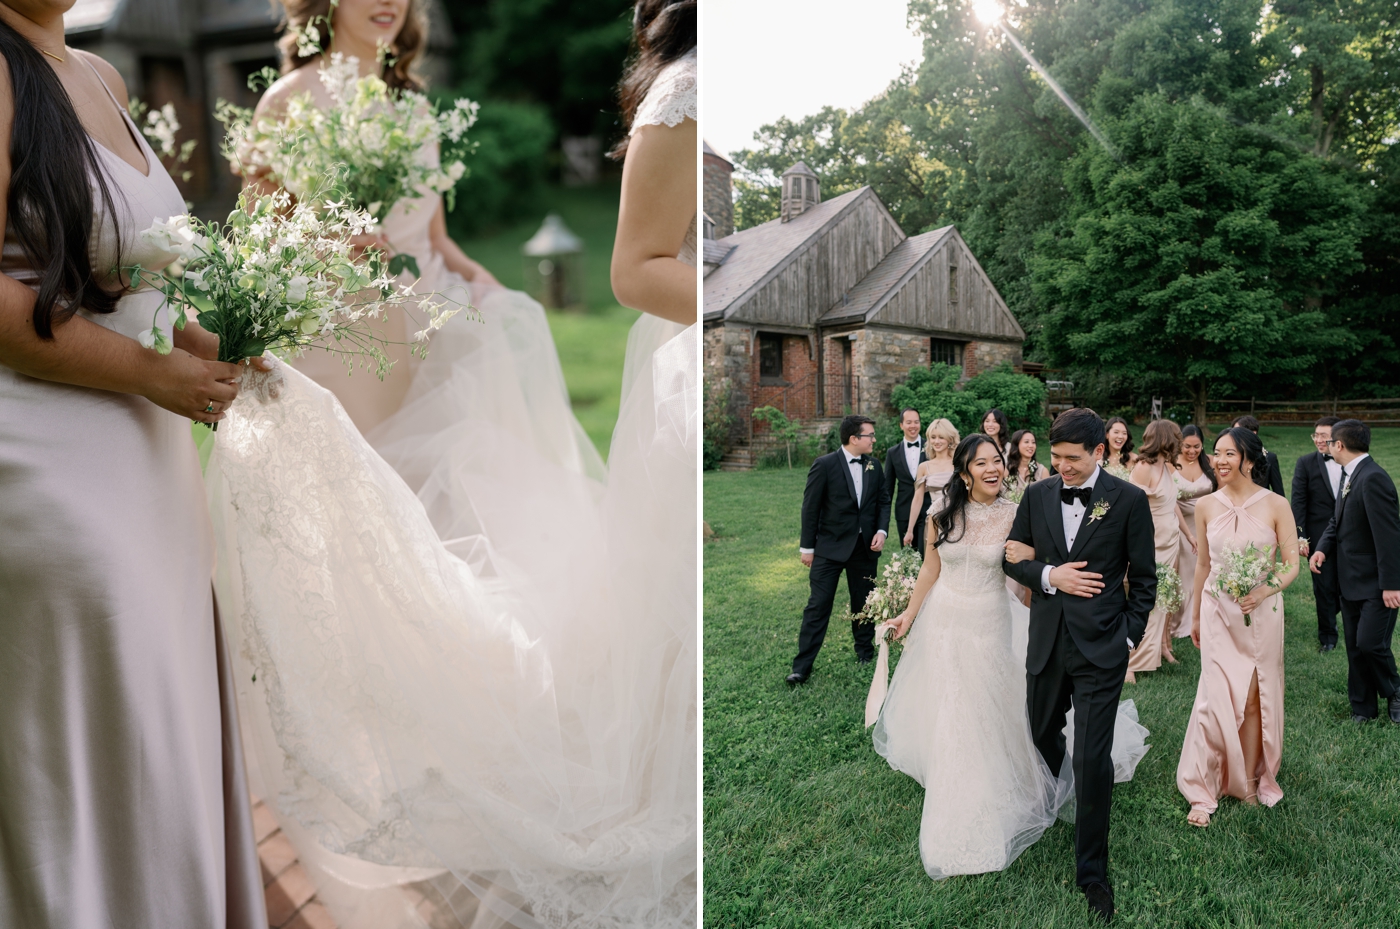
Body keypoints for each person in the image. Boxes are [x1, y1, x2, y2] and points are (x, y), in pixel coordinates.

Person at [206, 2, 699, 926]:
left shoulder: (415, 106)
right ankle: (380, 743)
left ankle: (445, 736)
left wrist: (486, 284)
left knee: (441, 534)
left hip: (430, 336)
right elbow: (256, 243)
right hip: (343, 339)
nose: (389, 0)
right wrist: (325, 244)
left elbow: (431, 242)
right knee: (366, 532)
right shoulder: (286, 102)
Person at [0, 5, 265, 925]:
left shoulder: (98, 75)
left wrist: (215, 339)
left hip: (150, 467)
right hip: (52, 470)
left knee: (165, 727)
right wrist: (154, 372)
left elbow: (124, 280)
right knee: (108, 746)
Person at [873, 434, 1148, 881]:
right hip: (944, 619)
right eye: (980, 463)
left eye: (996, 460)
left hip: (989, 621)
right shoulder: (941, 515)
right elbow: (930, 568)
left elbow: (1044, 557)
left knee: (988, 704)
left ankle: (1011, 784)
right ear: (963, 474)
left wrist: (1040, 570)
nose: (992, 468)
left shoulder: (1017, 511)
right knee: (948, 704)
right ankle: (953, 779)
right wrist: (908, 613)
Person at [1000, 408, 1157, 923]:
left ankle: (1092, 872)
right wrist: (1049, 575)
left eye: (1072, 459)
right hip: (1046, 642)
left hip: (1101, 649)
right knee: (1042, 731)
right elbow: (1011, 557)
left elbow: (1146, 579)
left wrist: (1128, 636)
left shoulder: (1128, 500)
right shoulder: (1039, 494)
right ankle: (1055, 798)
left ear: (1099, 453)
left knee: (1093, 759)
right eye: (1056, 458)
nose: (1061, 467)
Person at [1178, 428, 1300, 826]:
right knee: (1215, 698)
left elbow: (1291, 564)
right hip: (1217, 613)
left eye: (1229, 454)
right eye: (1216, 454)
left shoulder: (1277, 505)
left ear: (1248, 459)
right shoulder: (1206, 506)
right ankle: (1203, 785)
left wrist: (1265, 590)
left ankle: (1247, 781)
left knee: (1251, 700)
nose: (1220, 461)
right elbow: (1202, 564)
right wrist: (1195, 615)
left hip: (1261, 616)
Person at [1310, 419, 1400, 724]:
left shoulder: (1373, 478)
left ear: (1340, 445)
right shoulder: (1350, 475)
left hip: (1376, 584)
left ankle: (1395, 689)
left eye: (1329, 441)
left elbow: (1388, 537)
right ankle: (1362, 709)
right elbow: (1338, 520)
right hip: (1349, 582)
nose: (1326, 445)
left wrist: (1391, 584)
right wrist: (1322, 547)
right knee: (1355, 649)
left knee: (1370, 643)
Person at [790, 415, 891, 684]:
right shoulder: (824, 465)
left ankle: (865, 653)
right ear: (854, 438)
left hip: (864, 548)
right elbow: (810, 508)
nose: (874, 439)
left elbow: (883, 501)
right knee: (818, 605)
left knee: (865, 602)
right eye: (870, 435)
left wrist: (881, 531)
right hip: (828, 548)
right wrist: (808, 548)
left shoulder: (874, 465)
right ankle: (801, 666)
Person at [1126, 419, 1191, 679]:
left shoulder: (1166, 466)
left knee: (1162, 599)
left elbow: (1172, 502)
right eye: (1177, 436)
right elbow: (1130, 508)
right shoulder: (1144, 467)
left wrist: (1187, 534)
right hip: (1150, 543)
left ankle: (1157, 649)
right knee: (1145, 600)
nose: (1180, 441)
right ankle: (1128, 661)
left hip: (1170, 542)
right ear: (1165, 438)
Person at [1292, 416, 1343, 651]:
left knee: (1344, 588)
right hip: (1319, 537)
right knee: (1323, 588)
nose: (1319, 440)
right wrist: (1301, 538)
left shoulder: (1348, 462)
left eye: (1324, 435)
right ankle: (1328, 637)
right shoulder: (1305, 463)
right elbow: (1298, 504)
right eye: (1316, 435)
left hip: (1349, 537)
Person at [1170, 424, 1214, 639]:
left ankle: (1201, 617)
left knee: (1205, 571)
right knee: (1184, 574)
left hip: (1207, 525)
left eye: (1197, 447)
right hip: (1181, 526)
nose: (1192, 451)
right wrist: (1188, 534)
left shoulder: (1210, 463)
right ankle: (1180, 623)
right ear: (1180, 444)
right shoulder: (1172, 465)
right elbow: (1171, 502)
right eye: (1187, 446)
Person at [903, 417, 958, 554]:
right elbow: (917, 499)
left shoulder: (959, 464)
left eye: (941, 437)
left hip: (958, 518)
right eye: (933, 437)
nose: (936, 441)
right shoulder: (924, 467)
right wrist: (910, 530)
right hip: (935, 521)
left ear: (950, 439)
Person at [885, 407, 925, 548]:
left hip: (928, 508)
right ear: (901, 425)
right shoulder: (892, 453)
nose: (913, 426)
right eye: (909, 422)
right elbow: (888, 488)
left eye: (916, 422)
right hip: (904, 510)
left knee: (927, 554)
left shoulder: (932, 448)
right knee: (908, 556)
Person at [1231, 415, 1285, 496]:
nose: (1234, 436)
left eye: (1239, 431)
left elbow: (1279, 492)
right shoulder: (1231, 458)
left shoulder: (1270, 458)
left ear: (1253, 433)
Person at [1005, 428, 1046, 497]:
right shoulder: (1006, 469)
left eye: (1033, 442)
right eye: (1026, 442)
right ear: (1017, 445)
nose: (1031, 445)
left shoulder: (1042, 471)